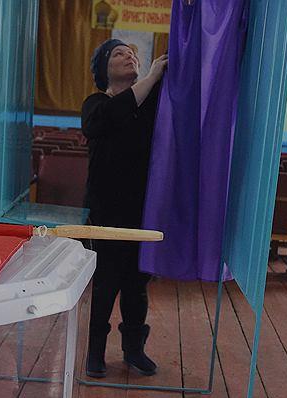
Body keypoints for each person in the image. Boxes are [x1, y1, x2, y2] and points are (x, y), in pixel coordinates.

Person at [81, 39, 168, 378]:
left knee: (136, 285)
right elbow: (111, 116)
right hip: (105, 213)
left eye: (132, 54)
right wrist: (152, 76)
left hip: (141, 210)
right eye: (119, 54)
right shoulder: (96, 104)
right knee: (105, 285)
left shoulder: (150, 104)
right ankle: (94, 352)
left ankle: (134, 349)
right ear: (103, 69)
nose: (128, 56)